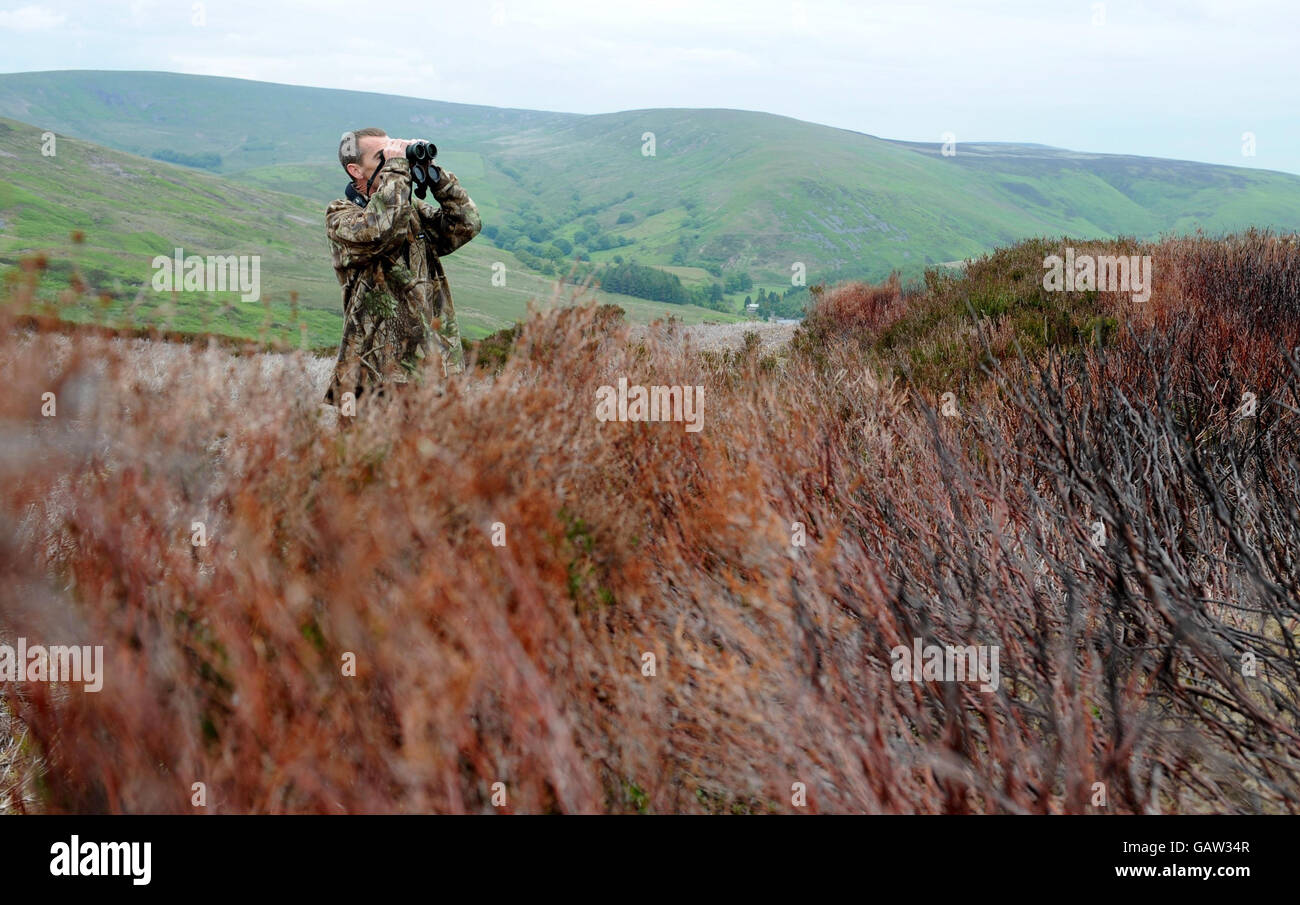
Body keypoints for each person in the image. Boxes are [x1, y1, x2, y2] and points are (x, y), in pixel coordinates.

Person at [322, 127, 481, 411]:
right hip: (374, 371)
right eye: (381, 156)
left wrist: (435, 176)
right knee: (371, 454)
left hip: (431, 366)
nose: (392, 160)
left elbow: (466, 224)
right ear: (355, 170)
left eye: (393, 152)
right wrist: (396, 169)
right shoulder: (340, 216)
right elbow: (380, 231)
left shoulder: (412, 211)